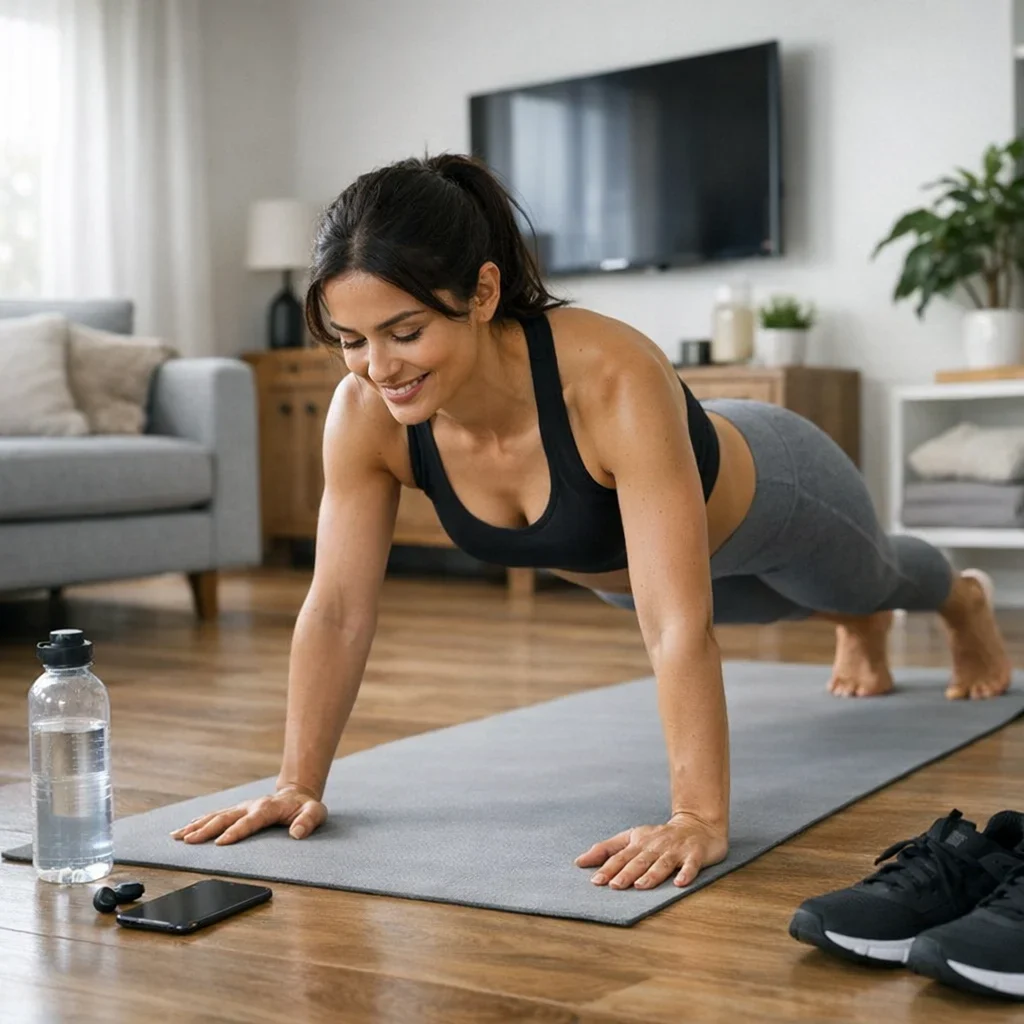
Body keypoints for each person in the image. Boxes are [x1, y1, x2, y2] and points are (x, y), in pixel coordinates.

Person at [171, 153, 1012, 893]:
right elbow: (339, 607)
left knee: (868, 580)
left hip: (778, 494)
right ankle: (851, 626)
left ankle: (958, 601)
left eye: (405, 331)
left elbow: (678, 624)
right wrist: (296, 779)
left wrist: (696, 816)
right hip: (634, 571)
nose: (377, 368)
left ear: (484, 290)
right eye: (350, 340)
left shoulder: (607, 374)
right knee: (788, 606)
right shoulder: (365, 414)